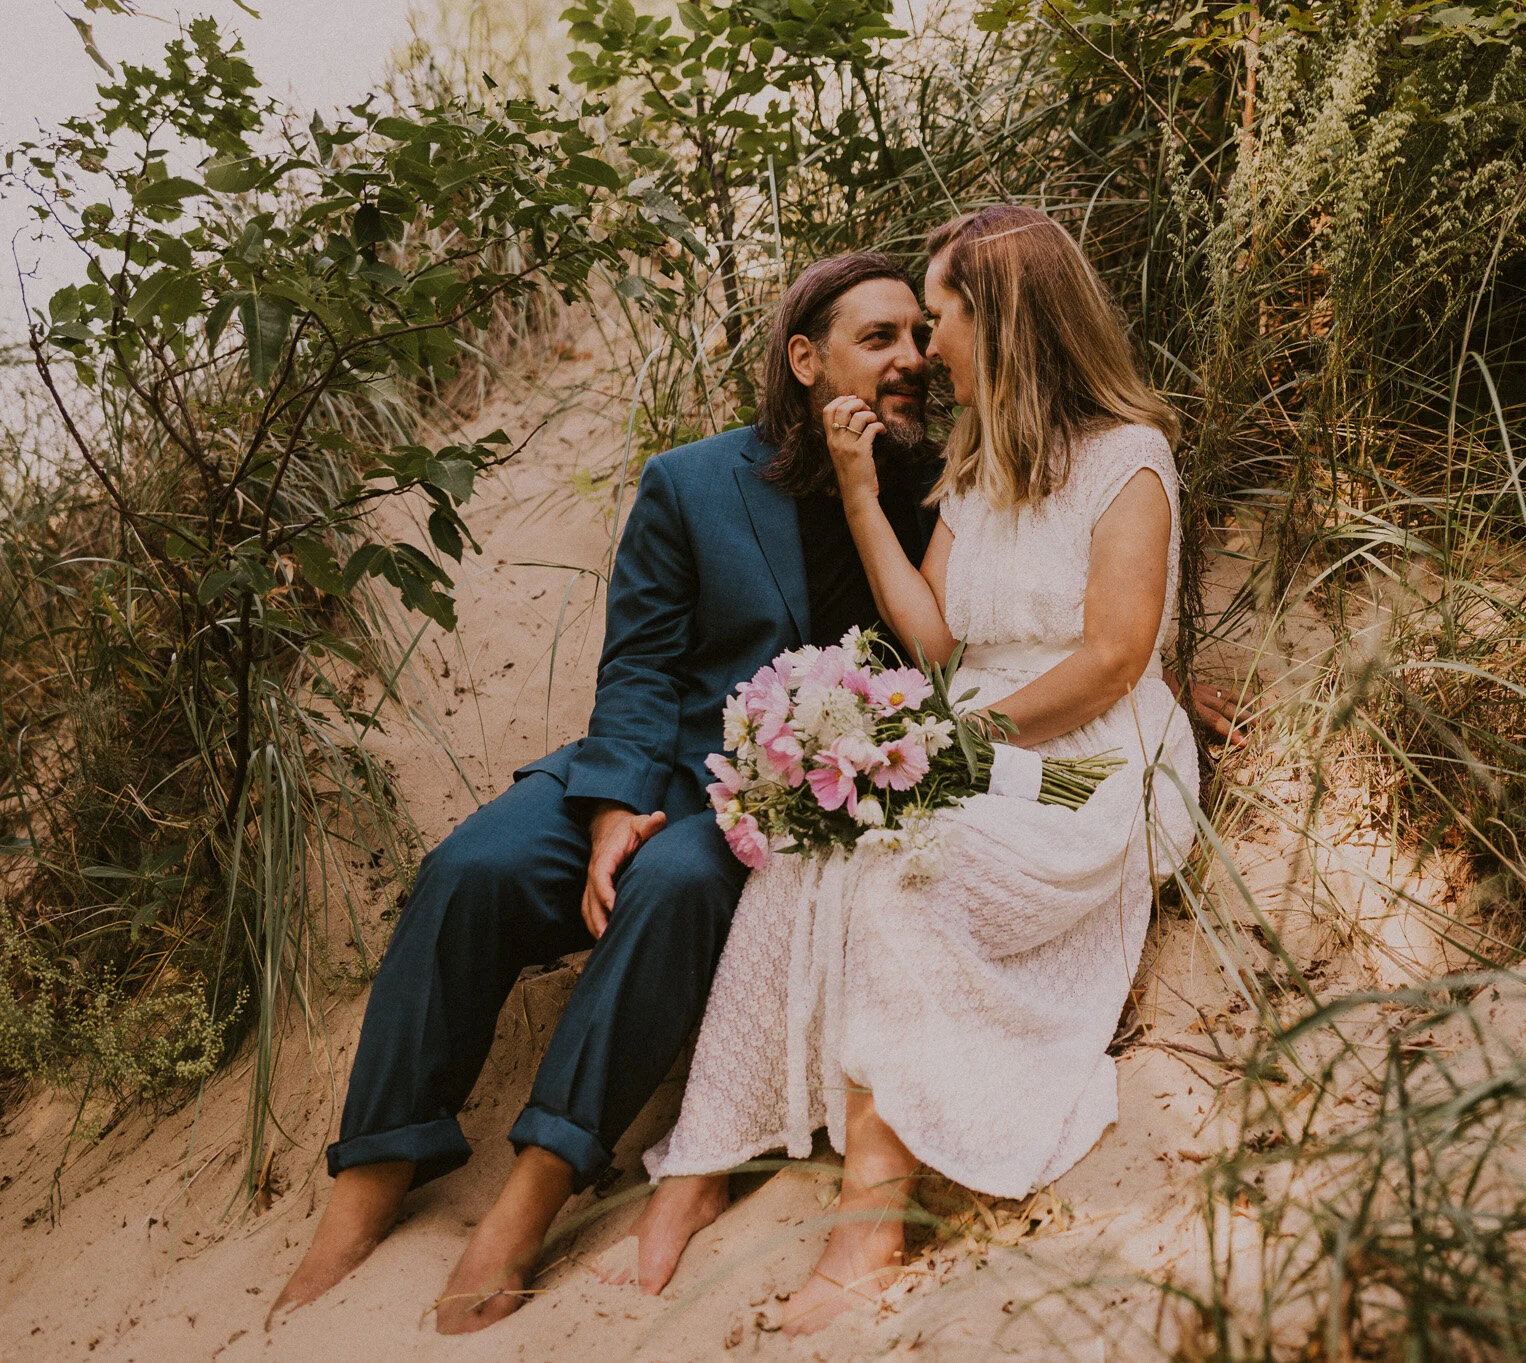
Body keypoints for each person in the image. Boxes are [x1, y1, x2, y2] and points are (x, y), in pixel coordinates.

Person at [270, 251, 945, 1334]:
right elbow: (637, 662)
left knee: (674, 886)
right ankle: (374, 1172)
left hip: (783, 798)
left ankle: (537, 1183)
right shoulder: (691, 481)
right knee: (471, 869)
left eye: (920, 336)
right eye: (881, 339)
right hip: (646, 756)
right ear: (806, 358)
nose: (910, 359)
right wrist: (610, 803)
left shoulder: (934, 493)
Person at [608, 205, 1202, 1335]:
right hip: (972, 729)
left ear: (1005, 320)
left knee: (897, 873)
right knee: (805, 853)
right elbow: (932, 644)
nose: (925, 351)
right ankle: (698, 1165)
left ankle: (869, 1225)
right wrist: (859, 494)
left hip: (1085, 759)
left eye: (939, 321)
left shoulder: (1129, 459)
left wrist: (955, 747)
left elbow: (1118, 654)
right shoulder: (973, 470)